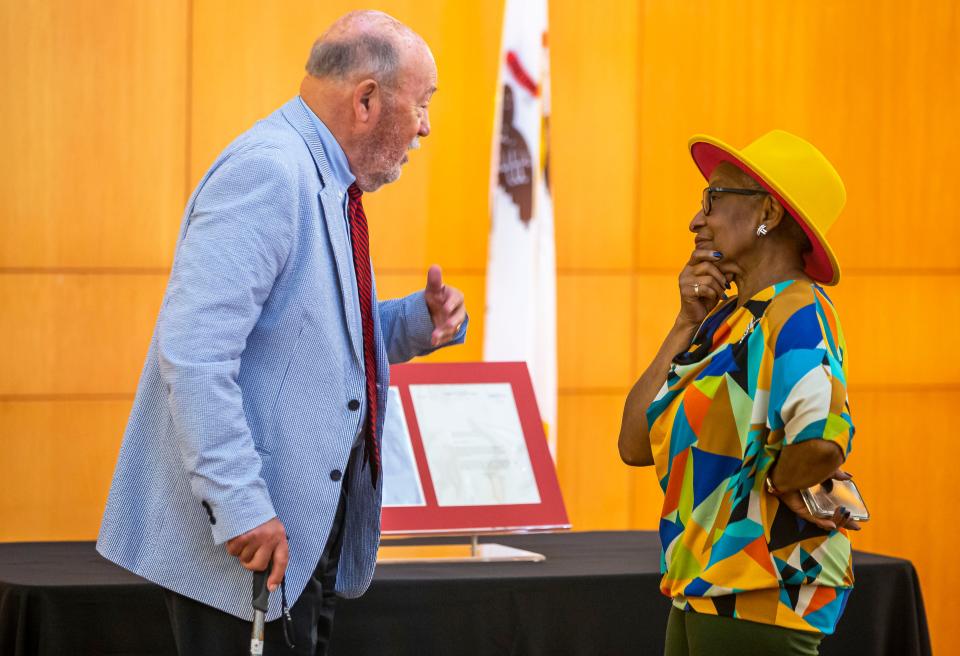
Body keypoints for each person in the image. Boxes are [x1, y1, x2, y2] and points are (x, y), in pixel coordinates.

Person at [97, 11, 467, 655]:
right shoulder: (271, 171)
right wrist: (241, 507)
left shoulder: (324, 178)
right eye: (423, 103)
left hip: (298, 541)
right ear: (367, 100)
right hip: (243, 552)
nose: (426, 126)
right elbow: (194, 355)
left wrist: (413, 324)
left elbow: (307, 336)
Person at [618, 130, 860, 655]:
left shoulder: (796, 309)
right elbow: (635, 445)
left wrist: (769, 482)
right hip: (701, 588)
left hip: (762, 590)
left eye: (714, 198)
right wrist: (685, 324)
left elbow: (822, 442)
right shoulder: (727, 321)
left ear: (767, 212)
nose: (696, 219)